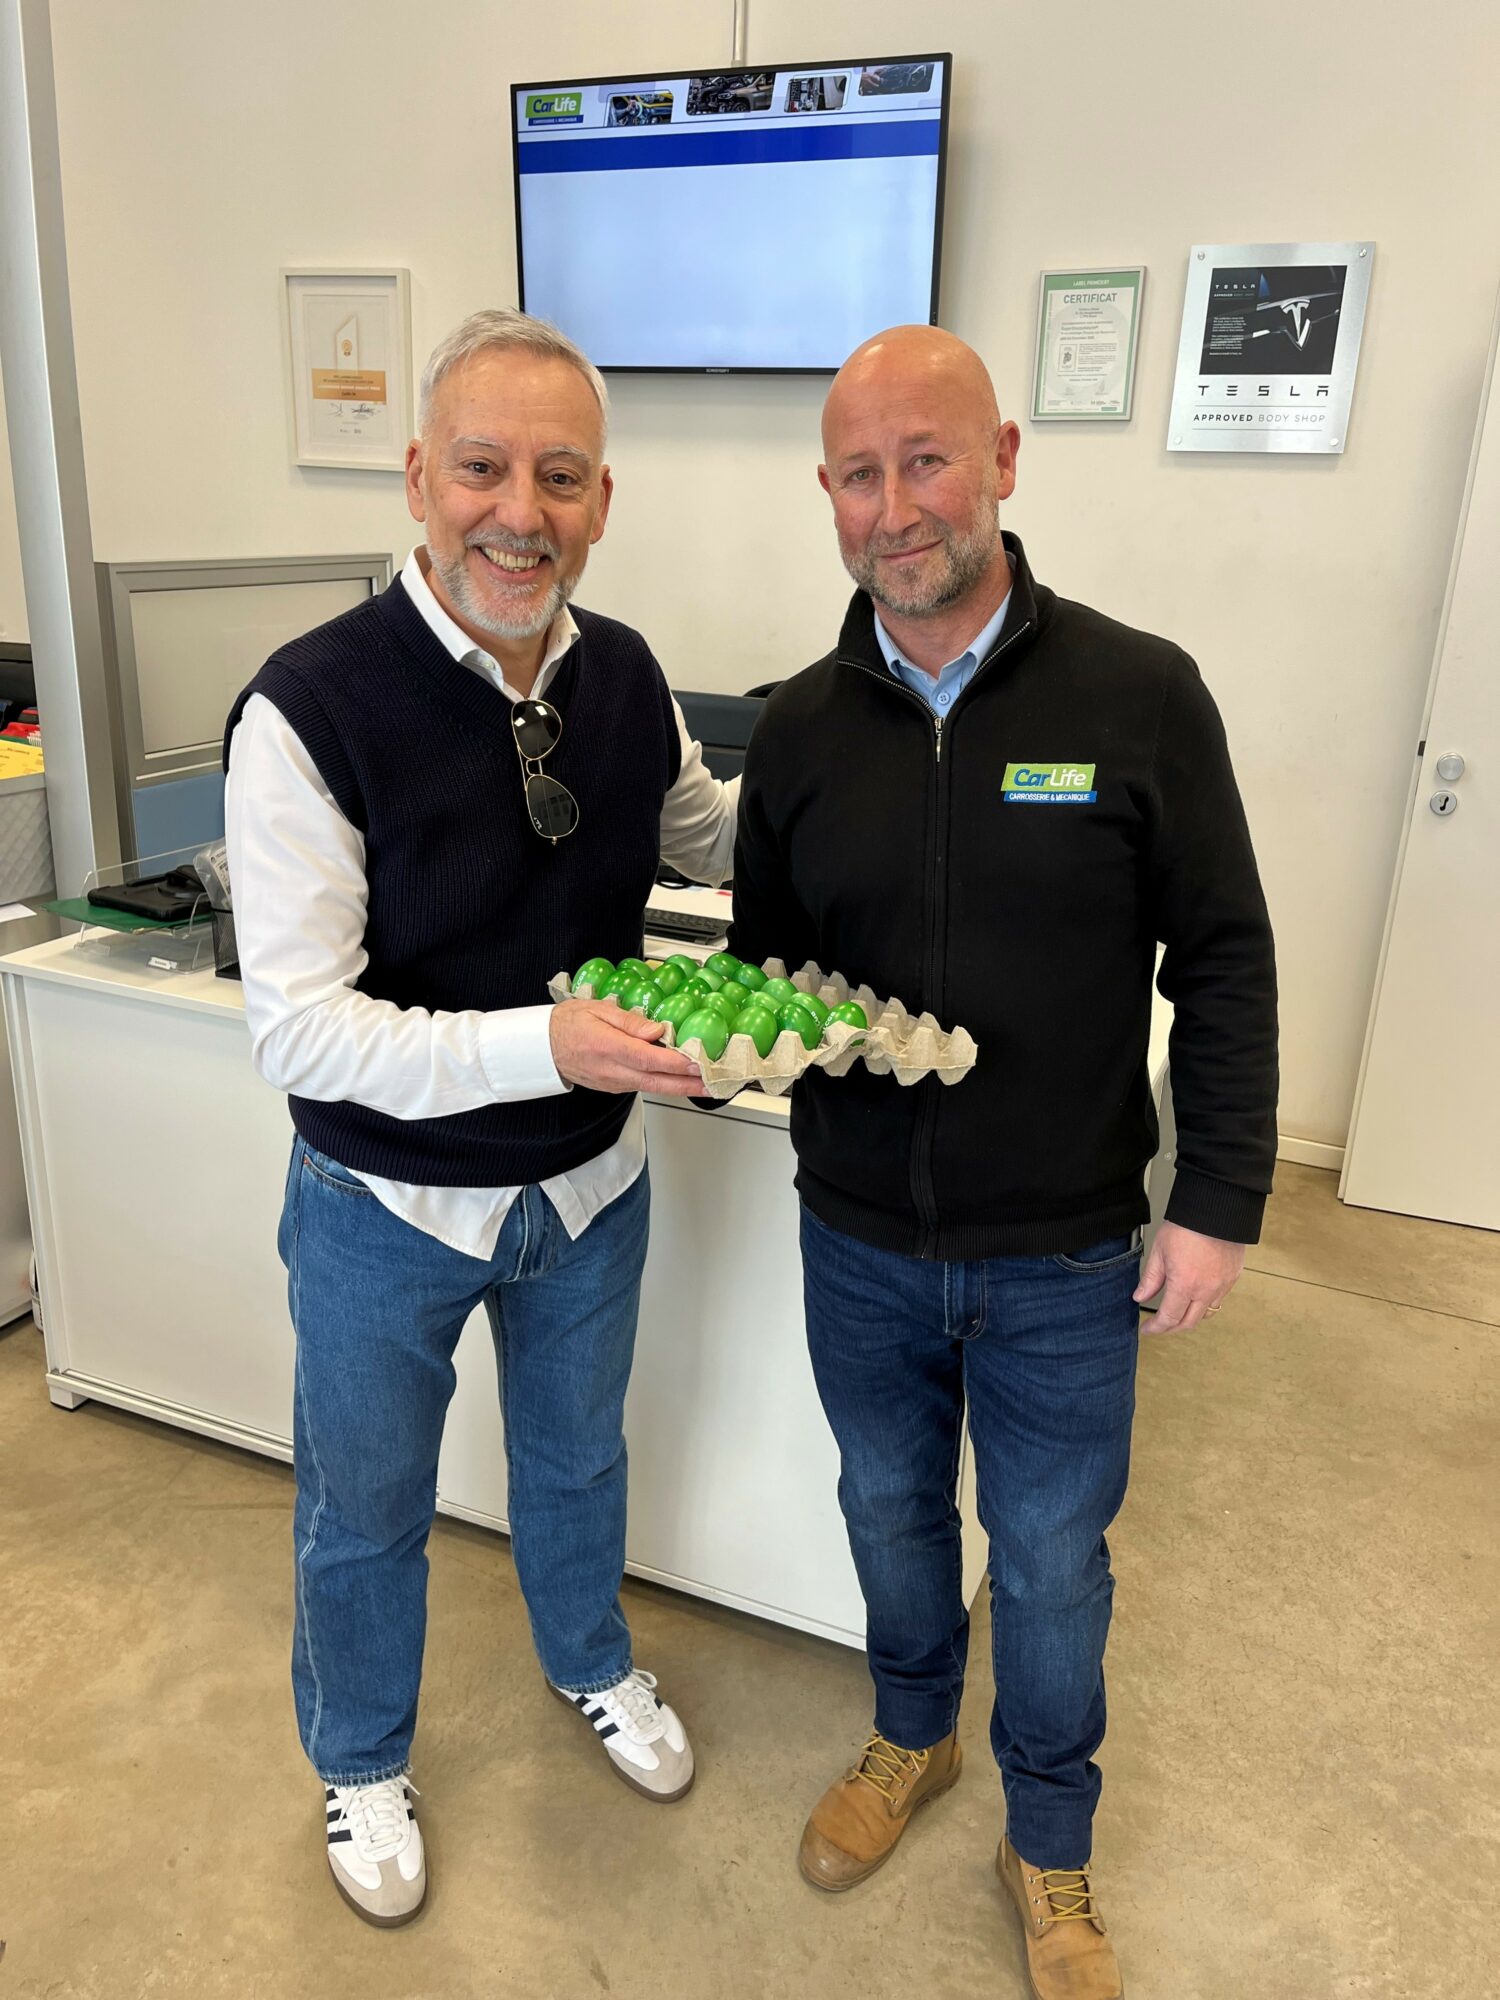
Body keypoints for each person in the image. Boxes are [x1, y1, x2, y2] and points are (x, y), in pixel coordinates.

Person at [728, 325, 1278, 2000]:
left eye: (928, 460)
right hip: (859, 1236)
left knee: (1046, 1559)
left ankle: (1050, 1840)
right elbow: (767, 973)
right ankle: (914, 1736)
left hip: (1065, 1250)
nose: (897, 507)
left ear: (1004, 463)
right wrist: (765, 1040)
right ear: (827, 494)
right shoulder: (797, 729)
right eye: (860, 474)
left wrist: (1217, 1201)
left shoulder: (1140, 693)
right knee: (889, 1508)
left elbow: (1225, 956)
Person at [223, 309, 735, 1927]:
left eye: (560, 477)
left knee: (577, 1463)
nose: (521, 512)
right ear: (417, 480)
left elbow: (709, 839)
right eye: (483, 469)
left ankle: (589, 1658)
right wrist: (551, 1046)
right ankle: (361, 1756)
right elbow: (301, 1026)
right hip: (384, 1205)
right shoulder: (309, 707)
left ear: (603, 501)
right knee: (365, 1510)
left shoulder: (628, 675)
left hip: (587, 1190)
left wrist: (878, 787)